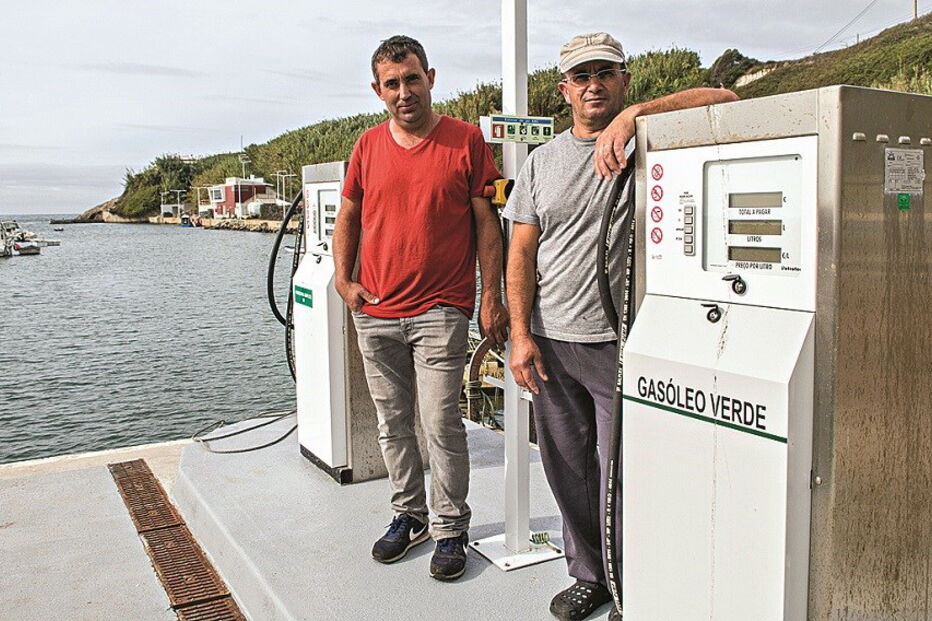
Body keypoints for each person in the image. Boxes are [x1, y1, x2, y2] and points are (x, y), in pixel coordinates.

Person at [503, 32, 738, 620]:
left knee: (625, 473)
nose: (593, 85)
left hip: (619, 345)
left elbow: (728, 98)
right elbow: (520, 253)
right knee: (568, 471)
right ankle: (590, 576)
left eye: (605, 73)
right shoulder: (541, 162)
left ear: (624, 80)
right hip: (553, 343)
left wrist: (638, 117)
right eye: (581, 76)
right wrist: (520, 334)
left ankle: (633, 581)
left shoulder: (650, 141)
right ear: (564, 90)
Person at [332, 34, 508, 582]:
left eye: (412, 79)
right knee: (392, 424)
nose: (404, 92)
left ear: (430, 77)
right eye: (392, 84)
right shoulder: (366, 146)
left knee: (440, 422)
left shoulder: (466, 141)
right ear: (377, 90)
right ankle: (408, 515)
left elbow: (488, 222)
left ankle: (450, 527)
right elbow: (349, 217)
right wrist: (343, 280)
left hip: (440, 309)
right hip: (375, 310)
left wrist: (491, 297)